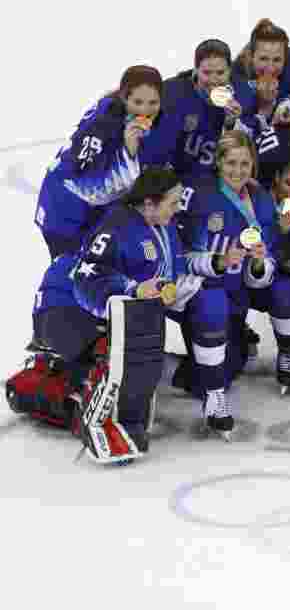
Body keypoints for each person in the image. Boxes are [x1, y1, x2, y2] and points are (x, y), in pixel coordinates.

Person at [9, 167, 205, 462]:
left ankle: (60, 378)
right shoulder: (118, 226)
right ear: (149, 203)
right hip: (62, 307)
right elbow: (90, 279)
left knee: (145, 363)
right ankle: (95, 421)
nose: (178, 209)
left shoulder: (163, 229)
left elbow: (169, 278)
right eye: (173, 202)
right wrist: (134, 289)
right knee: (119, 351)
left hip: (93, 312)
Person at [174, 131, 290, 421]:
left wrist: (257, 265)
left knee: (282, 289)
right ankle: (170, 370)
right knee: (206, 379)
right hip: (203, 294)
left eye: (245, 164)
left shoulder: (262, 200)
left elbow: (264, 268)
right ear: (218, 162)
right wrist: (218, 261)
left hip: (238, 294)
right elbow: (182, 259)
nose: (238, 171)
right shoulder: (199, 196)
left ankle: (287, 352)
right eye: (231, 163)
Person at [35, 65, 162, 259]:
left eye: (153, 102)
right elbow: (92, 189)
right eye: (138, 102)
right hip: (65, 213)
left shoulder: (128, 116)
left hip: (84, 211)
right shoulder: (103, 126)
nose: (145, 110)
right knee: (75, 274)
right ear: (124, 97)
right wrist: (129, 150)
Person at [145, 39, 261, 180]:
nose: (213, 80)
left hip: (219, 180)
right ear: (196, 70)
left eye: (220, 73)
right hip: (175, 179)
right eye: (206, 73)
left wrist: (231, 125)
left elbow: (248, 152)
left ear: (230, 71)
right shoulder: (172, 93)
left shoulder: (244, 96)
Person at [232, 18, 290, 126]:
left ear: (285, 58)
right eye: (263, 59)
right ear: (251, 57)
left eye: (277, 60)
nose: (270, 68)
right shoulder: (237, 75)